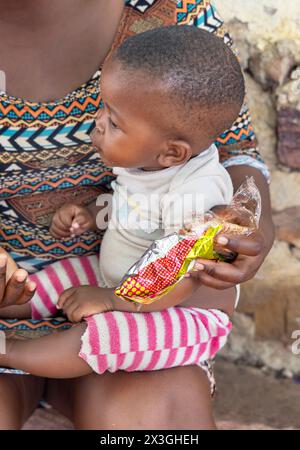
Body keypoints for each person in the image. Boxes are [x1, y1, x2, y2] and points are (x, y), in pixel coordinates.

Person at [0, 0, 274, 430]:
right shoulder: (142, 163)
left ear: (172, 154)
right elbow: (127, 201)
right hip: (94, 278)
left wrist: (248, 220)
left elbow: (175, 262)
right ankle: (15, 319)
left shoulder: (171, 18)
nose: (97, 123)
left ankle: (9, 348)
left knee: (146, 414)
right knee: (44, 288)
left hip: (140, 306)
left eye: (113, 119)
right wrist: (90, 213)